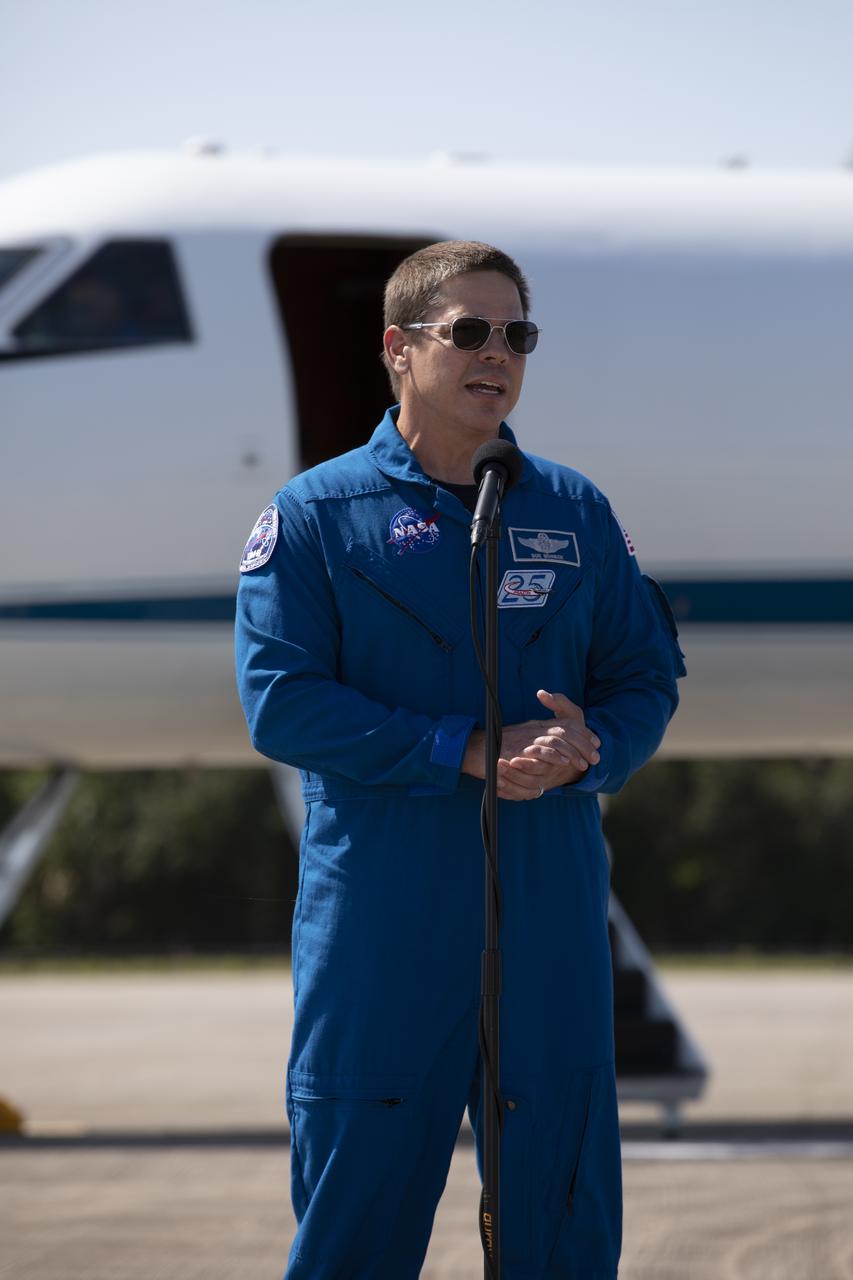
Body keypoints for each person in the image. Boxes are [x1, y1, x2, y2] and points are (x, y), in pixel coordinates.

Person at [234, 240, 686, 1279]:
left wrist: (595, 743)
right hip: (386, 916)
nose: (498, 354)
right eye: (468, 331)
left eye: (516, 334)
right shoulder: (313, 518)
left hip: (547, 911)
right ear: (398, 349)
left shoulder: (572, 511)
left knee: (561, 1211)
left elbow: (645, 677)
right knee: (358, 1212)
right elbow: (281, 702)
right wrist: (465, 749)